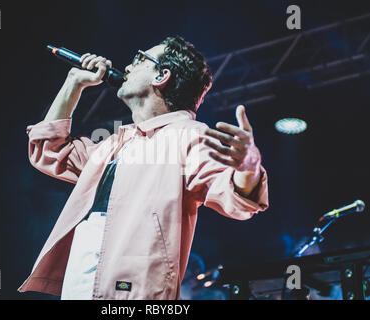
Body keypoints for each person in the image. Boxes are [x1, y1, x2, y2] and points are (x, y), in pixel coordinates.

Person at [18, 36, 269, 300]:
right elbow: (49, 149)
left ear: (162, 75)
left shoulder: (190, 136)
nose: (127, 66)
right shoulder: (115, 142)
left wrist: (249, 168)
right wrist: (73, 83)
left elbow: (233, 196)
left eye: (139, 59)